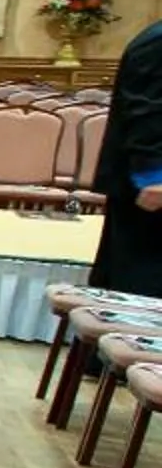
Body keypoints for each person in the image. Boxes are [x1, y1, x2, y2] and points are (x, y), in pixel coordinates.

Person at [90, 16, 162, 296]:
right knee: (141, 284)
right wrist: (155, 175)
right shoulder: (158, 41)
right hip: (148, 190)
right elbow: (148, 112)